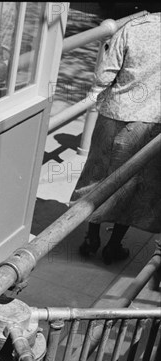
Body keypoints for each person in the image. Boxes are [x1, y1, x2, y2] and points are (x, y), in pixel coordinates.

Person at [72, 11, 161, 264]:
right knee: (133, 184)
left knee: (97, 176)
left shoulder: (132, 28)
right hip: (152, 123)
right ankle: (114, 245)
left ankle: (91, 238)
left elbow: (103, 76)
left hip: (115, 115)